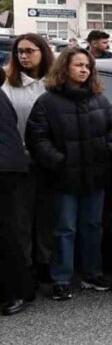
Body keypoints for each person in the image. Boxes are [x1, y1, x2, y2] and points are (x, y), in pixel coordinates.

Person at [26, 48, 112, 301]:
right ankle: (61, 279)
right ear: (64, 68)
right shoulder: (47, 101)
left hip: (95, 174)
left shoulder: (99, 99)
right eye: (78, 65)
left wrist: (111, 150)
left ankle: (92, 274)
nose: (83, 70)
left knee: (92, 226)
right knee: (64, 229)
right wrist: (58, 161)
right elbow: (38, 139)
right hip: (63, 177)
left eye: (87, 66)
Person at [2, 34, 55, 280]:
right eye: (19, 52)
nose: (23, 56)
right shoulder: (8, 85)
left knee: (47, 217)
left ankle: (46, 263)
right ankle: (25, 269)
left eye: (29, 51)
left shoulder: (53, 83)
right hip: (19, 160)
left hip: (50, 160)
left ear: (43, 52)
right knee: (21, 219)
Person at [0, 68, 34, 316]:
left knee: (6, 234)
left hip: (4, 169)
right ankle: (21, 289)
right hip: (9, 167)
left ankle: (17, 292)